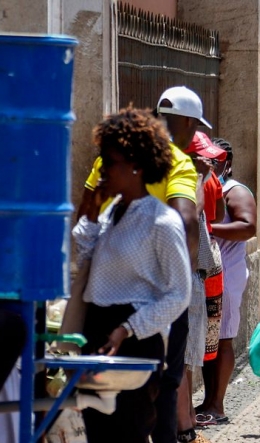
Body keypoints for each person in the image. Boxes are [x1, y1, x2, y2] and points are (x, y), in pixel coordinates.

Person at [77, 85, 205, 443]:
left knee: (130, 429)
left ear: (135, 167)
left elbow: (178, 292)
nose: (102, 169)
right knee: (98, 432)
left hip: (133, 337)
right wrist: (92, 211)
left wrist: (127, 328)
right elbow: (85, 253)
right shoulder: (111, 214)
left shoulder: (160, 221)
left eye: (111, 162)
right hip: (98, 330)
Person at [197, 137, 257, 423]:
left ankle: (217, 405)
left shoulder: (234, 191)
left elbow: (247, 227)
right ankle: (207, 402)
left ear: (228, 164)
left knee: (223, 340)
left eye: (216, 162)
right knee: (209, 339)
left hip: (228, 274)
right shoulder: (206, 187)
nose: (211, 165)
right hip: (208, 272)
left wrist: (209, 227)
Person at [176, 131, 226, 441]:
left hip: (193, 276)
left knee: (186, 358)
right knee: (182, 360)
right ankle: (185, 427)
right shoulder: (188, 182)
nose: (206, 162)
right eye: (198, 157)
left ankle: (184, 421)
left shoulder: (201, 180)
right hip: (186, 277)